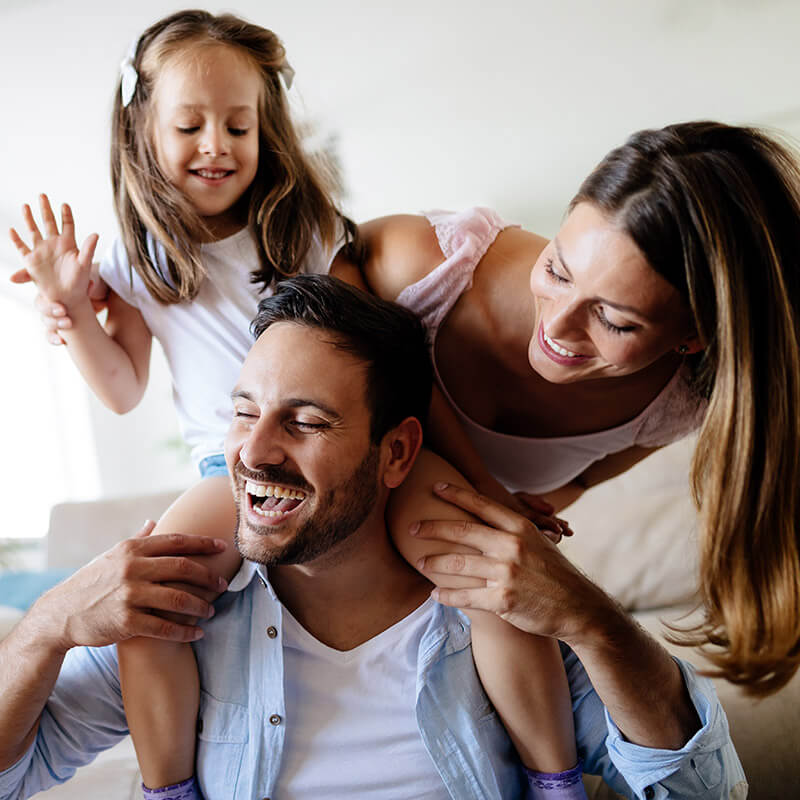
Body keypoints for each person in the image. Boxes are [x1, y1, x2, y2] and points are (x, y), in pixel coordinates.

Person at [0, 276, 746, 800]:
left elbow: (699, 790)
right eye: (244, 412)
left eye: (306, 421)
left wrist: (591, 619)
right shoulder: (183, 614)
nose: (253, 452)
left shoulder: (493, 606)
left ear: (396, 453)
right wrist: (45, 630)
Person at [6, 10, 361, 795]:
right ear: (143, 132)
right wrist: (69, 307)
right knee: (151, 600)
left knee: (478, 553)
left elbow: (365, 359)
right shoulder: (140, 262)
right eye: (190, 125)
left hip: (338, 448)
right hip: (229, 465)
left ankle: (553, 771)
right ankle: (169, 786)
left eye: (239, 125)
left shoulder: (307, 230)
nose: (217, 145)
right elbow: (124, 389)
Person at [354, 121, 800, 699]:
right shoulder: (418, 266)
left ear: (693, 337)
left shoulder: (676, 404)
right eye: (557, 270)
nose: (557, 327)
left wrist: (512, 525)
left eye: (614, 319)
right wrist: (486, 488)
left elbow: (581, 476)